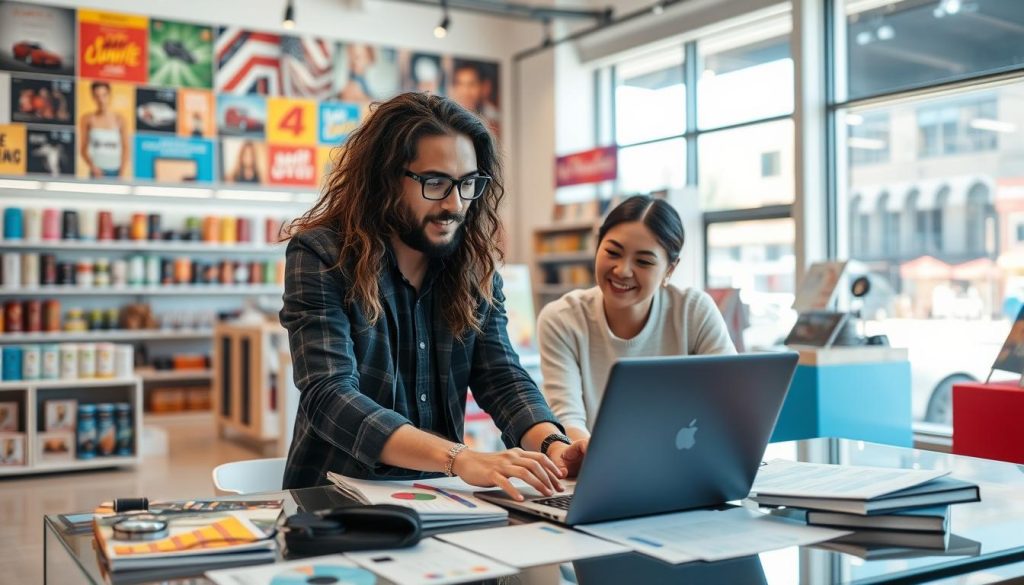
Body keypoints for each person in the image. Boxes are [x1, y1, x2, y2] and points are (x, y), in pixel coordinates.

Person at [280, 92, 586, 499]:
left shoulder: (473, 268)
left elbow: (501, 375)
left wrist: (555, 447)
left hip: (440, 499)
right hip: (334, 499)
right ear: (385, 179)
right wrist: (459, 457)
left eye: (467, 183)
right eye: (436, 182)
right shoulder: (321, 255)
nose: (454, 204)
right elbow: (330, 396)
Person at [537, 195, 736, 439]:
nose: (622, 270)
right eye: (612, 252)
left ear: (670, 269)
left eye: (643, 261)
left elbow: (730, 401)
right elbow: (566, 417)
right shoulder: (562, 319)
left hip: (684, 461)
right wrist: (587, 455)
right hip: (594, 466)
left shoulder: (694, 310)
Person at [79, 81, 129, 178]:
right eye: (97, 96)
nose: (101, 100)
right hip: (96, 172)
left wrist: (121, 172)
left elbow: (126, 148)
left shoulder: (120, 119)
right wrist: (93, 167)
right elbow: (83, 149)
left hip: (115, 172)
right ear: (93, 97)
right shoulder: (87, 119)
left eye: (104, 95)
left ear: (110, 95)